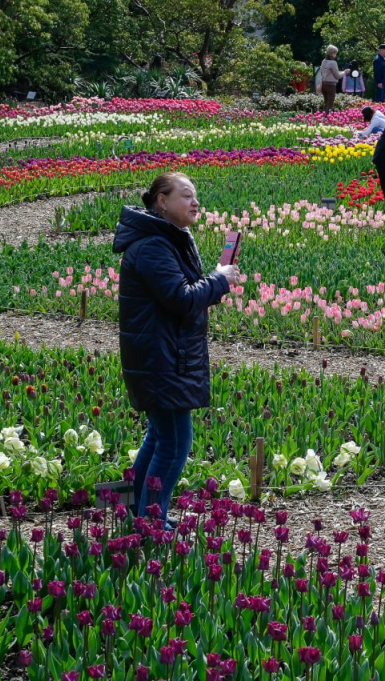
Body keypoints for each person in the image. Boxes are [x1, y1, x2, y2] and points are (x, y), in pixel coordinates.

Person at [114, 172, 238, 524]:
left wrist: (214, 279)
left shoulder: (167, 238)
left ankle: (132, 512)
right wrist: (219, 281)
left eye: (195, 195)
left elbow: (182, 293)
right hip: (161, 358)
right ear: (162, 201)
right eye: (185, 195)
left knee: (159, 436)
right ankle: (152, 523)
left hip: (164, 353)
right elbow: (180, 298)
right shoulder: (153, 245)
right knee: (175, 442)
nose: (195, 202)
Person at [319, 45, 346, 116]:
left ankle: (323, 116)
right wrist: (344, 72)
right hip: (331, 85)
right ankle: (328, 117)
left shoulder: (324, 61)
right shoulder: (333, 63)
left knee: (326, 102)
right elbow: (338, 76)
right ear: (333, 53)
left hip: (323, 83)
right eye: (336, 53)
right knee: (330, 103)